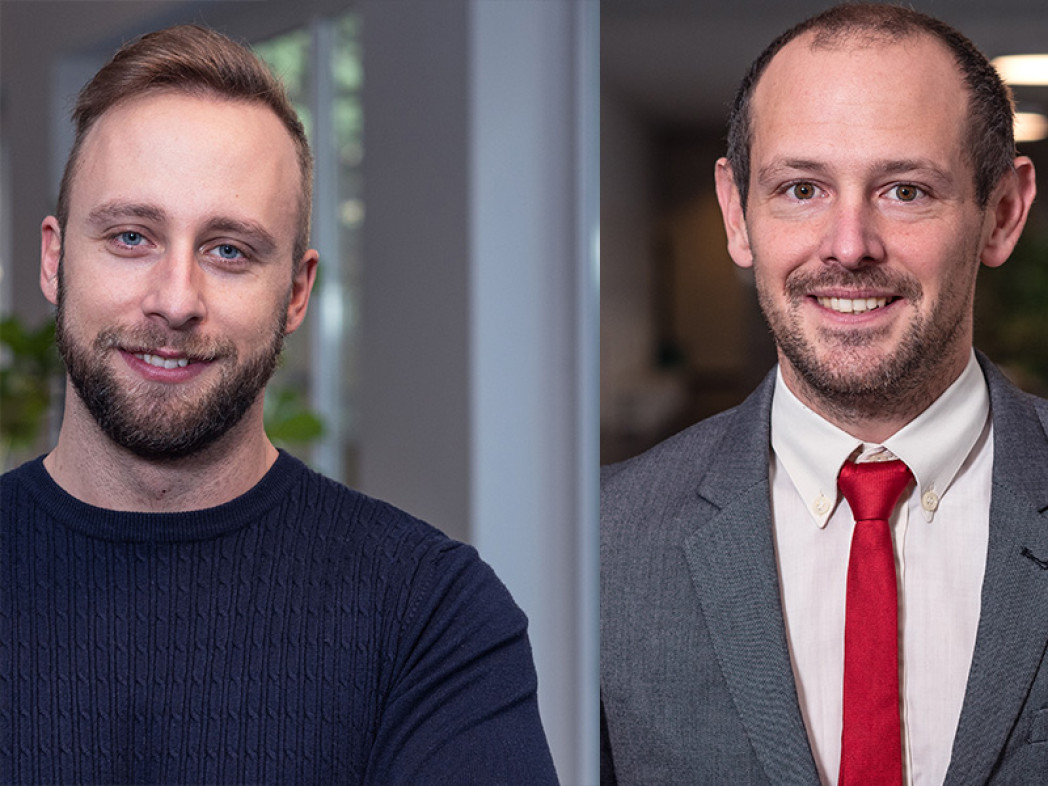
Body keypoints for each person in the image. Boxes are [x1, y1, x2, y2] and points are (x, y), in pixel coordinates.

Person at [0, 25, 557, 784]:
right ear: (54, 259)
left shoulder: (430, 616)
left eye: (229, 250)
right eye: (131, 237)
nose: (175, 301)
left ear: (296, 292)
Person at [601, 4, 1048, 784]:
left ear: (1002, 213)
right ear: (738, 214)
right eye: (802, 189)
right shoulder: (600, 544)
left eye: (905, 191)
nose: (848, 246)